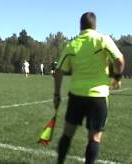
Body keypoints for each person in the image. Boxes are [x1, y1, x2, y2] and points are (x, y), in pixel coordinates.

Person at [53, 12, 125, 164]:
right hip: (98, 97)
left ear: (80, 26)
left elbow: (59, 70)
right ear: (95, 25)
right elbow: (119, 61)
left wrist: (56, 94)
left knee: (67, 133)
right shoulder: (103, 40)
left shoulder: (72, 44)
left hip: (76, 96)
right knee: (94, 138)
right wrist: (117, 78)